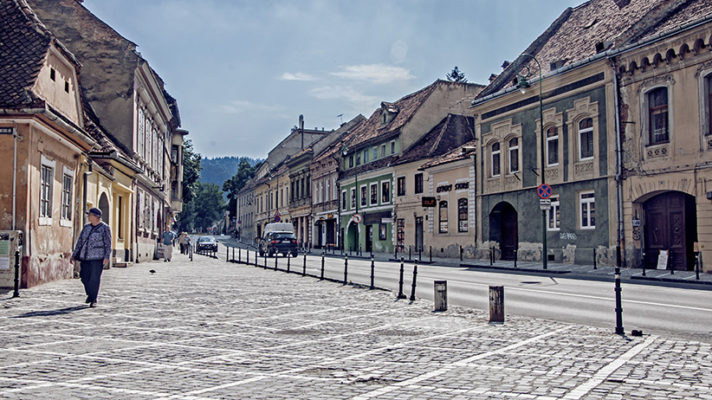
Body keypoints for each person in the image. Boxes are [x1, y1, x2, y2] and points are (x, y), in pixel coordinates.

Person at [70, 207, 111, 308]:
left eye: (90, 215)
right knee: (84, 277)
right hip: (85, 256)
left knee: (94, 278)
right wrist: (74, 255)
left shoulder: (104, 228)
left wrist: (106, 256)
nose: (88, 217)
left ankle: (93, 298)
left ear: (96, 217)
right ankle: (90, 294)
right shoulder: (86, 227)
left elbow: (108, 243)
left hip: (97, 257)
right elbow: (80, 241)